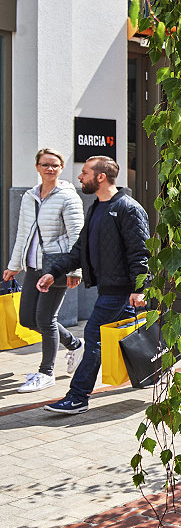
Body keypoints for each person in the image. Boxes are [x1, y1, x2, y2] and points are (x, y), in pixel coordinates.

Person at [39, 156, 150, 415]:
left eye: (85, 172)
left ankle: (78, 397)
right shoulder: (97, 207)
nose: (80, 177)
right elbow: (80, 250)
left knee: (93, 337)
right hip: (109, 287)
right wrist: (53, 271)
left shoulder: (127, 208)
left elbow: (140, 252)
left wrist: (139, 287)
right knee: (131, 337)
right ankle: (152, 372)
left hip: (120, 289)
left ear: (100, 177)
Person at [3, 148, 85, 393]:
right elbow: (22, 233)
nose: (50, 168)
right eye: (45, 164)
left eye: (55, 165)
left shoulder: (68, 197)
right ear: (37, 167)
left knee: (46, 319)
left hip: (57, 266)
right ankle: (75, 344)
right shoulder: (30, 196)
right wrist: (14, 265)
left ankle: (46, 372)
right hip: (33, 266)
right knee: (27, 318)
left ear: (61, 168)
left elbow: (77, 237)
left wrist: (75, 271)